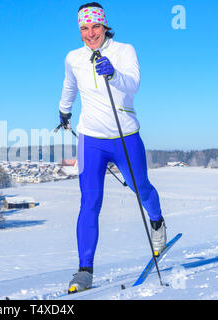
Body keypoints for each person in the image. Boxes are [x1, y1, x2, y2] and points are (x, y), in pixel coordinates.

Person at [58, 2, 167, 294]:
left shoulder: (124, 51)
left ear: (105, 26)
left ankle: (156, 222)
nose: (90, 33)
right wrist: (64, 111)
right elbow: (70, 86)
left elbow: (133, 84)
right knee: (90, 202)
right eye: (84, 28)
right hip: (90, 139)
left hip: (125, 136)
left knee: (140, 186)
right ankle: (84, 271)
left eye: (95, 26)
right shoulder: (73, 58)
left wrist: (114, 74)